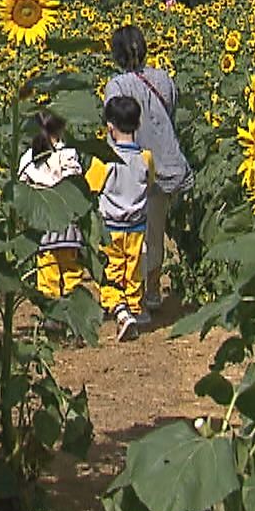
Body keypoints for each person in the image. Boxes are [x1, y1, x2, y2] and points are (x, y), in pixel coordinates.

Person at [103, 24, 193, 310]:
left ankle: (133, 295)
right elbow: (170, 115)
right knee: (155, 233)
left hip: (131, 168)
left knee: (131, 234)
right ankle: (152, 290)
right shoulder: (163, 79)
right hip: (165, 164)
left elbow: (113, 130)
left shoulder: (116, 87)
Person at [88, 95, 154, 341]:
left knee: (110, 270)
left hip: (110, 227)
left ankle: (120, 311)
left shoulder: (104, 160)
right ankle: (136, 308)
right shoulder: (146, 158)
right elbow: (150, 182)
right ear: (138, 125)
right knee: (134, 268)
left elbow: (91, 187)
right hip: (137, 226)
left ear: (110, 127)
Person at [17, 111, 88, 302]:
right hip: (67, 227)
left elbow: (21, 189)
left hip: (43, 227)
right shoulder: (67, 154)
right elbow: (75, 184)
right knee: (72, 275)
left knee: (48, 278)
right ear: (62, 128)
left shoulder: (28, 158)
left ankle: (52, 313)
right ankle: (73, 312)